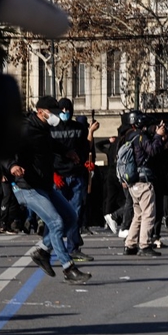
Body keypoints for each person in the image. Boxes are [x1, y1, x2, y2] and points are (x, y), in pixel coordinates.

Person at [10, 97, 93, 282]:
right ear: (40, 112)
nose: (56, 116)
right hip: (27, 186)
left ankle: (42, 251)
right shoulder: (25, 128)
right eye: (53, 112)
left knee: (71, 218)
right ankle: (69, 268)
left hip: (44, 184)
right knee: (56, 223)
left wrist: (67, 152)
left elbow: (50, 145)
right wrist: (12, 165)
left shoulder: (44, 128)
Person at [50, 98, 98, 254]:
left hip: (76, 175)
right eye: (62, 110)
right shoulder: (51, 129)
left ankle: (73, 248)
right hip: (59, 176)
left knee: (74, 213)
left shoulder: (79, 128)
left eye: (67, 110)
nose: (65, 112)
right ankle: (52, 247)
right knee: (56, 214)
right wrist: (53, 174)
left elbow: (86, 147)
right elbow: (46, 153)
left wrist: (90, 133)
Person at [120, 111, 168, 256]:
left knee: (138, 214)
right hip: (144, 181)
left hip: (133, 182)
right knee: (148, 213)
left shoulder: (130, 137)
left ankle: (130, 244)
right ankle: (145, 245)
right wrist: (159, 136)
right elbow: (152, 151)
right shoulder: (142, 137)